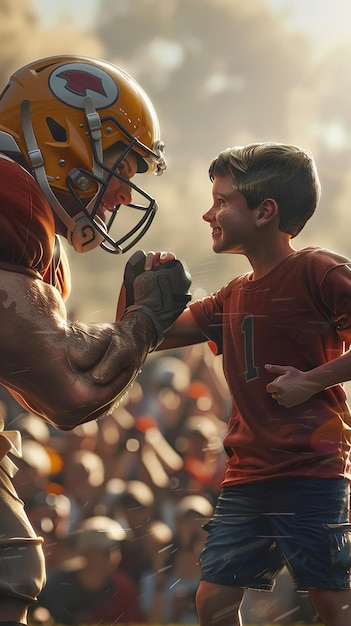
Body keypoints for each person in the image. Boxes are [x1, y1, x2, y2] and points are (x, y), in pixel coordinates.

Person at [0, 54, 191, 625]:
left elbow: (50, 360)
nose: (119, 194)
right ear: (62, 136)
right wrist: (144, 323)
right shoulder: (13, 194)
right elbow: (68, 395)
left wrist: (133, 323)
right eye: (122, 167)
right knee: (11, 562)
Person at [147, 142, 351, 626]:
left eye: (222, 201)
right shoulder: (229, 297)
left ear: (265, 211)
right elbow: (149, 337)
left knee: (333, 602)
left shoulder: (319, 269)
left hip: (312, 473)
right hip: (248, 478)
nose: (207, 213)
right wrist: (139, 298)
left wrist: (310, 382)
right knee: (213, 601)